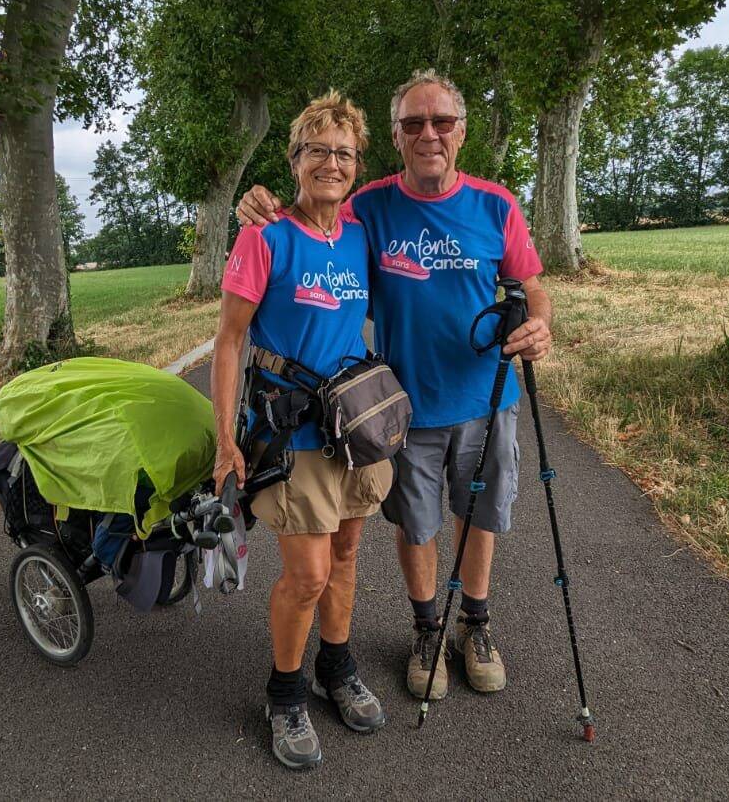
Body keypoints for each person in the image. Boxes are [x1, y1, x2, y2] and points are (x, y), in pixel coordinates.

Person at [237, 69, 553, 703]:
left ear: (461, 133)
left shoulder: (496, 205)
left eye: (441, 122)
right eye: (414, 123)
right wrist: (258, 203)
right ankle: (426, 629)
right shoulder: (370, 206)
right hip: (398, 408)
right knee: (418, 523)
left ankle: (477, 625)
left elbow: (532, 284)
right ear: (396, 135)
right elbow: (311, 209)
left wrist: (540, 322)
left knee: (476, 515)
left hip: (487, 401)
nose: (428, 133)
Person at [212, 90, 393, 771]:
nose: (332, 162)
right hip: (290, 433)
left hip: (354, 425)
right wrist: (227, 437)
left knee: (345, 554)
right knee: (309, 573)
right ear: (295, 159)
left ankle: (335, 668)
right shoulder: (265, 234)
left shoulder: (358, 235)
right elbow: (229, 341)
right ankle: (284, 693)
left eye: (344, 153)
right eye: (318, 149)